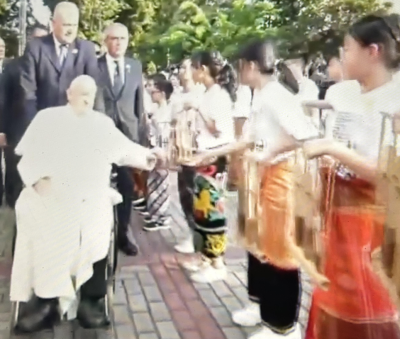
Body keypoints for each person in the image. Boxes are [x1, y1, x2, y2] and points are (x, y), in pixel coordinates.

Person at [10, 75, 162, 333]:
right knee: (38, 220)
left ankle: (91, 300)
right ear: (68, 93)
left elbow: (125, 150)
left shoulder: (101, 124)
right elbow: (28, 157)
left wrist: (150, 155)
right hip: (50, 194)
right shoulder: (47, 119)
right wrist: (37, 180)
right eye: (80, 94)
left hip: (90, 197)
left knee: (97, 225)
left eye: (89, 95)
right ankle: (45, 301)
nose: (84, 100)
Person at [193, 40, 323, 339]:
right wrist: (212, 152)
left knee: (280, 252)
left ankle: (284, 327)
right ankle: (266, 312)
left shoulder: (277, 96)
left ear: (250, 66)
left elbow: (304, 135)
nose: (237, 72)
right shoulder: (261, 95)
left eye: (240, 66)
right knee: (262, 248)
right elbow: (248, 139)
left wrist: (267, 154)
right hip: (264, 177)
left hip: (282, 179)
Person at [304, 14, 400, 339]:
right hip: (340, 221)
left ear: (373, 51)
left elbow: (389, 175)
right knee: (335, 297)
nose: (342, 57)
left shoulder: (396, 99)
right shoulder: (344, 94)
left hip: (373, 227)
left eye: (347, 48)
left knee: (370, 304)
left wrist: (333, 149)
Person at [179, 51, 237, 283]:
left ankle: (217, 261)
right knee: (202, 210)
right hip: (203, 158)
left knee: (213, 212)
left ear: (202, 69)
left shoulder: (219, 96)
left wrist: (198, 109)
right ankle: (206, 257)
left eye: (194, 67)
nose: (192, 72)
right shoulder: (208, 93)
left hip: (214, 160)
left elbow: (219, 131)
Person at [98, 22, 145, 256]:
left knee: (127, 187)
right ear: (105, 41)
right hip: (100, 136)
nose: (118, 43)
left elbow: (140, 106)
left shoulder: (135, 67)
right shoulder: (93, 66)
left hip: (127, 137)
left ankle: (123, 234)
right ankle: (100, 235)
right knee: (99, 186)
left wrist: (142, 142)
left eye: (123, 39)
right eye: (114, 39)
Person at [20, 1, 104, 124]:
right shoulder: (36, 48)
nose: (70, 31)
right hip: (44, 123)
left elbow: (95, 90)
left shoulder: (86, 50)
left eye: (74, 25)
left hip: (77, 124)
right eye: (66, 25)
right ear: (53, 24)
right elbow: (28, 93)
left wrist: (98, 123)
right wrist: (35, 125)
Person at [0, 24, 49, 209]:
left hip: (44, 131)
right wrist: (2, 130)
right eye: (36, 39)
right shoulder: (12, 66)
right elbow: (3, 100)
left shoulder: (50, 65)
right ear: (29, 40)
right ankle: (13, 207)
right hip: (17, 131)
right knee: (14, 172)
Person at [143, 79, 174, 231]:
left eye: (154, 91)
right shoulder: (157, 109)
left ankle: (162, 216)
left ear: (162, 94)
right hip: (155, 147)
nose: (151, 94)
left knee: (161, 182)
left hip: (162, 147)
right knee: (154, 181)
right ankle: (155, 213)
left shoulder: (168, 111)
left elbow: (166, 133)